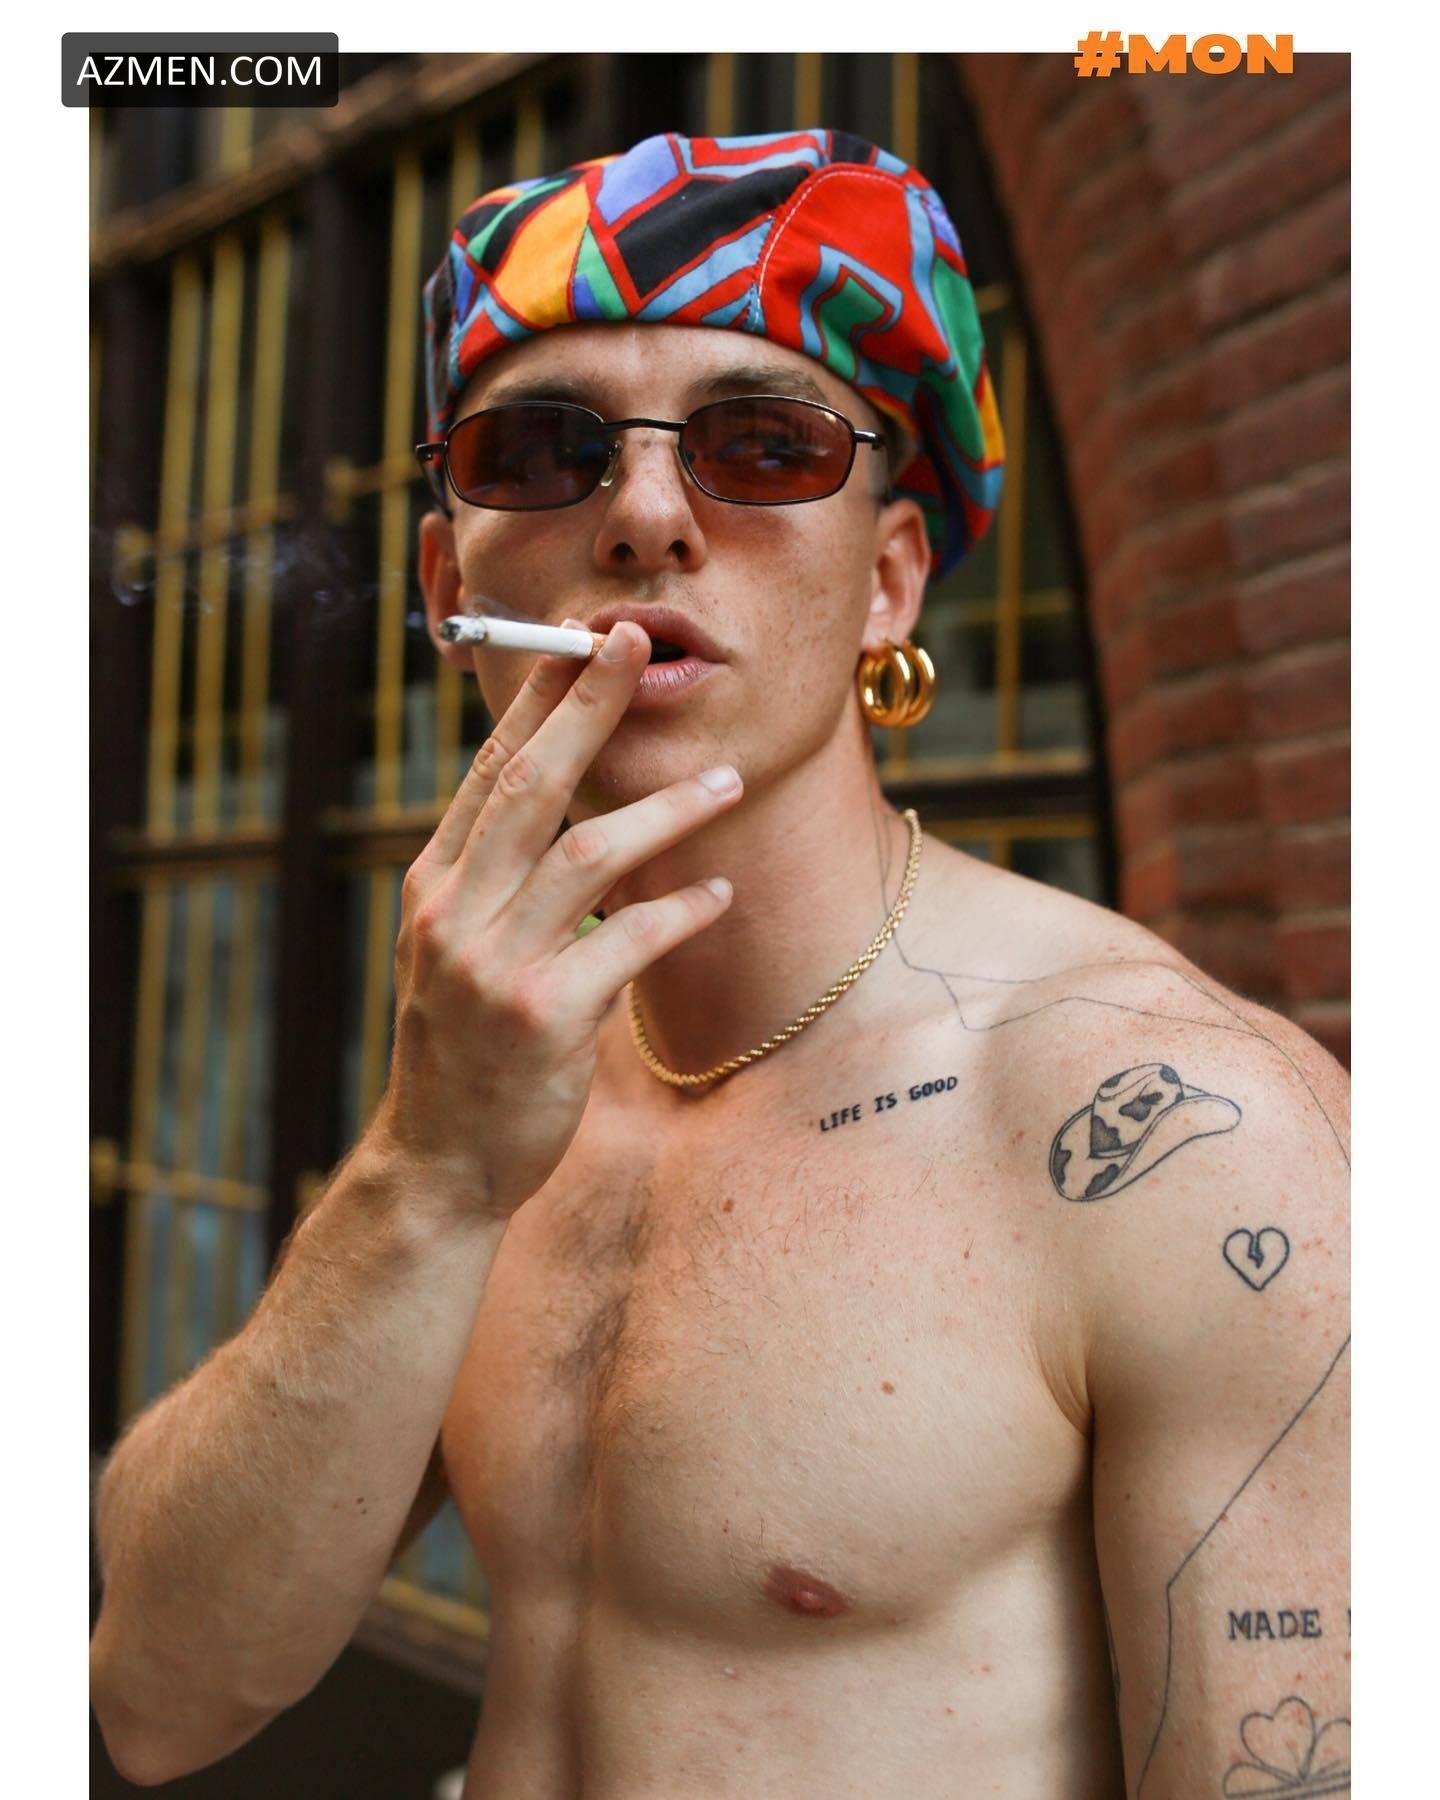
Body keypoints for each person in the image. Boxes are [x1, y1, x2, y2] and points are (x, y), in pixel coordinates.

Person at [91, 130, 1350, 1799]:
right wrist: (429, 1169)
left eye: (762, 447)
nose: (644, 517)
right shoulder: (496, 1065)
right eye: (542, 452)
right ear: (450, 583)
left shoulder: (1184, 1136)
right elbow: (158, 1699)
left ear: (890, 579)